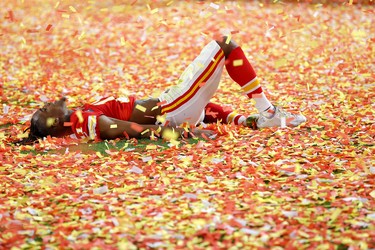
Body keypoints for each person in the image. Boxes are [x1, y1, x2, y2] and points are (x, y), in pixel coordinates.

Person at [17, 36, 306, 144]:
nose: (48, 103)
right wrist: (175, 132)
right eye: (44, 110)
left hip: (173, 108)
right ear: (55, 123)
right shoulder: (77, 120)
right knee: (224, 44)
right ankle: (267, 112)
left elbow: (116, 123)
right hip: (170, 109)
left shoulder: (78, 118)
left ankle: (251, 120)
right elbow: (113, 126)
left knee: (201, 107)